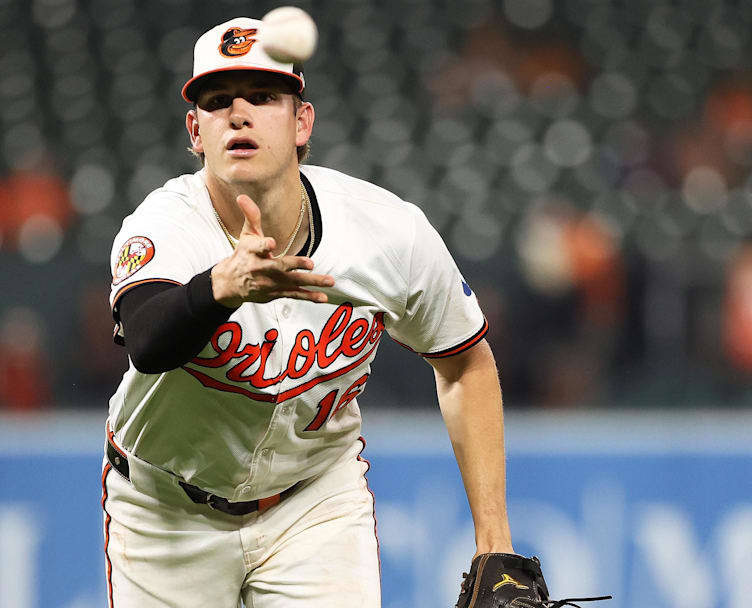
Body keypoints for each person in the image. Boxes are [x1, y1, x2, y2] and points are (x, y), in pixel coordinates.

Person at [103, 16, 511, 607]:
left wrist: (493, 541)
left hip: (314, 502)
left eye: (263, 96)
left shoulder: (386, 231)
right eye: (218, 102)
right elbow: (146, 339)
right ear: (195, 131)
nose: (239, 113)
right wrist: (221, 285)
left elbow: (465, 364)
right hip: (167, 507)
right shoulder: (165, 225)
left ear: (302, 121)